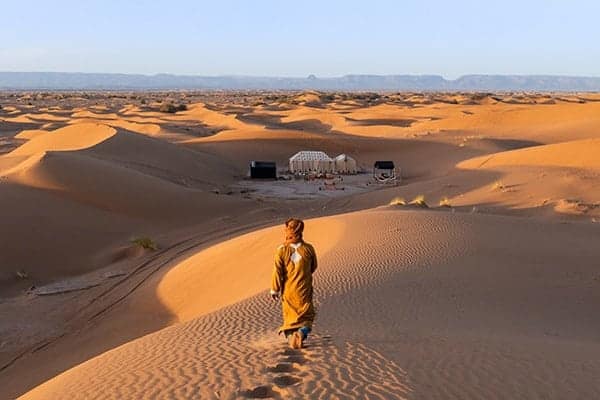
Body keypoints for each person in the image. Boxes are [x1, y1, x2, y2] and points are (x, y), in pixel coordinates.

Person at [270, 218, 317, 349]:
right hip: (304, 290)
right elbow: (314, 267)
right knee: (307, 317)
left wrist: (274, 289)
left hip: (288, 291)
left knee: (290, 319)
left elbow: (277, 271)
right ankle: (301, 333)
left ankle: (292, 338)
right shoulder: (309, 249)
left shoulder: (281, 250)